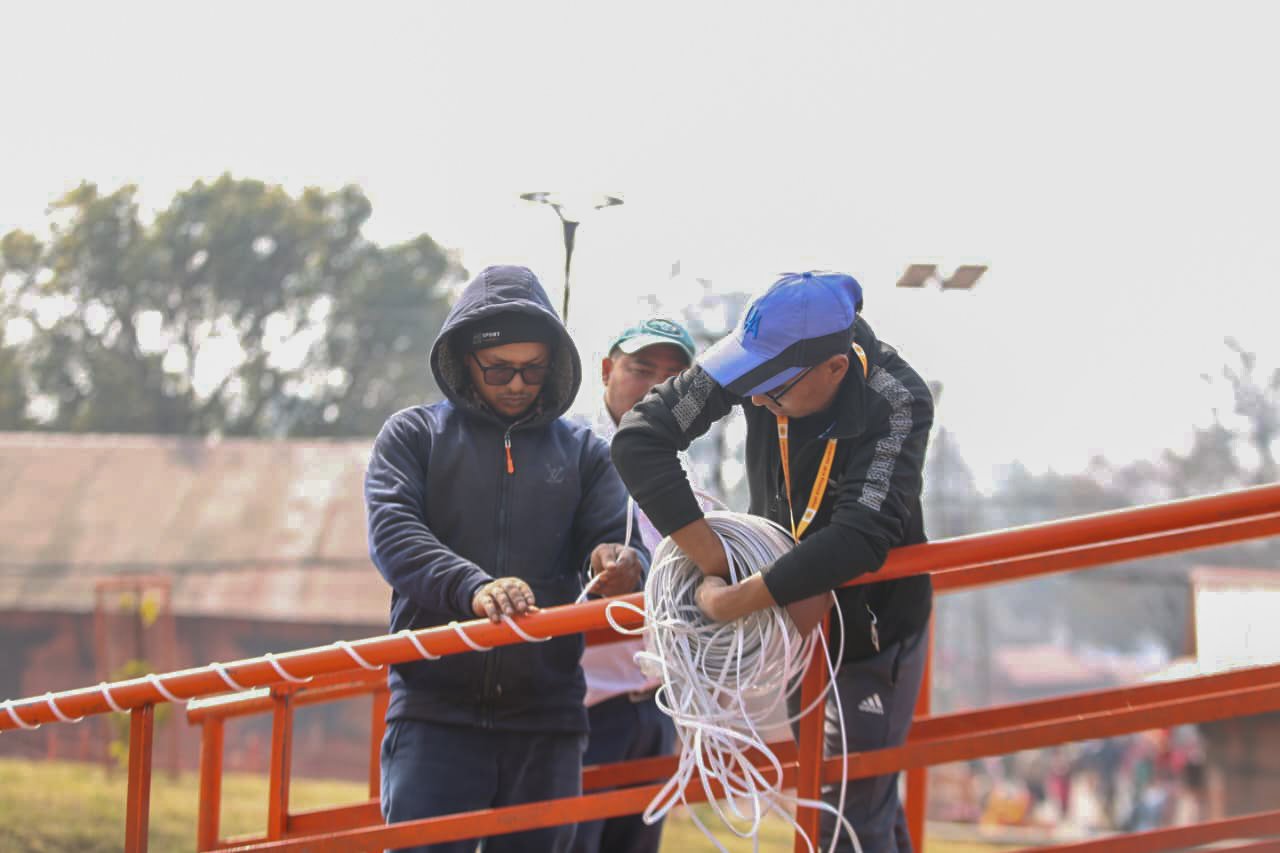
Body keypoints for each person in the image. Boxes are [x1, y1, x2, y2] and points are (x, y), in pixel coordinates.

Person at [611, 271, 934, 853]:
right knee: (853, 801)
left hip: (872, 630)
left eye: (773, 391)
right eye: (748, 384)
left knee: (847, 813)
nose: (756, 400)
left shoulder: (897, 397)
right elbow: (640, 438)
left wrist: (739, 598)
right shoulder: (760, 358)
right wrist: (716, 561)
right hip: (788, 622)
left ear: (835, 368)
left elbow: (861, 536)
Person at [366, 264, 647, 853]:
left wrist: (621, 562)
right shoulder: (413, 436)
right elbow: (394, 535)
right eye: (499, 369)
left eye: (533, 369)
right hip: (433, 712)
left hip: (548, 716)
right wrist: (472, 587)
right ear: (464, 359)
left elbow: (620, 543)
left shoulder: (586, 452)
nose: (518, 384)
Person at [572, 317, 699, 853]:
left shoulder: (681, 468)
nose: (655, 389)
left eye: (673, 379)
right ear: (607, 371)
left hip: (653, 700)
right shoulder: (566, 451)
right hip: (581, 702)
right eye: (641, 370)